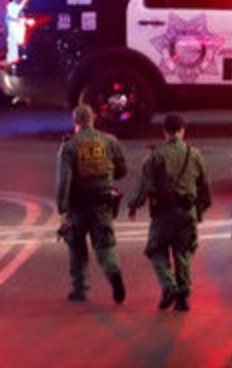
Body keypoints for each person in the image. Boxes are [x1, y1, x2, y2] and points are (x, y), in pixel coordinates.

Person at [127, 113, 211, 311]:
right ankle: (183, 296)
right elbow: (205, 188)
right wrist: (199, 210)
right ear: (183, 130)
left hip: (163, 212)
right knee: (183, 253)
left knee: (155, 250)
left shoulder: (155, 156)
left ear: (164, 131)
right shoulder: (196, 155)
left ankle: (168, 286)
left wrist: (134, 205)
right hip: (187, 212)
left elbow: (143, 187)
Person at [56, 104, 127, 304]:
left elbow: (64, 181)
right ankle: (113, 273)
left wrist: (62, 208)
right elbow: (122, 170)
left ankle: (80, 289)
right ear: (93, 118)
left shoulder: (70, 146)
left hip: (78, 205)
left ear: (75, 121)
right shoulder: (110, 141)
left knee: (76, 247)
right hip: (102, 202)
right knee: (105, 244)